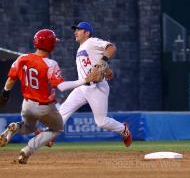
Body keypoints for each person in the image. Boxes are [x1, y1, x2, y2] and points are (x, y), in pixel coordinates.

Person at [0, 29, 100, 164]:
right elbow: (62, 86)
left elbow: (11, 79)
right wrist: (84, 80)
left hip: (27, 104)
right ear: (51, 45)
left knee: (29, 128)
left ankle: (15, 127)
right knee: (57, 129)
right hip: (44, 107)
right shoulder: (51, 64)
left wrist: (5, 93)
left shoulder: (22, 58)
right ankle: (28, 150)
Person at [59, 22, 132, 147]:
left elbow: (111, 47)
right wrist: (105, 69)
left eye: (78, 30)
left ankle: (123, 129)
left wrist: (103, 63)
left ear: (87, 33)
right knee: (62, 111)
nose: (75, 32)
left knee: (101, 122)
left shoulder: (91, 41)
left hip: (96, 87)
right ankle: (50, 135)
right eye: (75, 30)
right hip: (82, 87)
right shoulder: (81, 48)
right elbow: (96, 64)